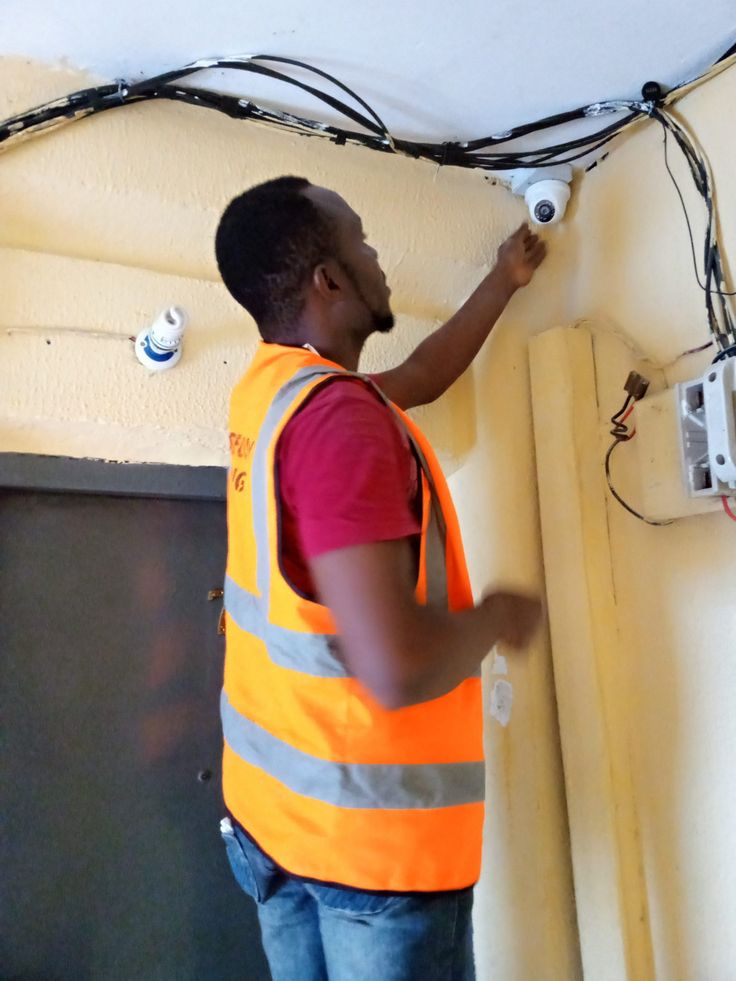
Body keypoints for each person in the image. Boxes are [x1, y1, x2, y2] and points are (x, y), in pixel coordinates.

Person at [214, 176, 545, 981]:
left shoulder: (276, 392)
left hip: (273, 827)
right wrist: (496, 616)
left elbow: (423, 375)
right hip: (371, 858)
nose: (376, 256)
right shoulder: (338, 421)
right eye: (360, 242)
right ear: (330, 280)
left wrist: (503, 280)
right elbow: (395, 667)